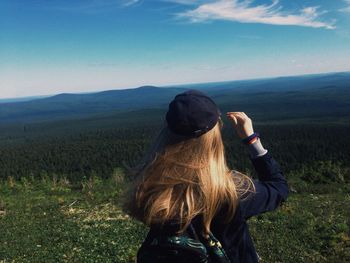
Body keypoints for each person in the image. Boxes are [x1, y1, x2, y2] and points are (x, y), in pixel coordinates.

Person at [123, 89, 289, 262]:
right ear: (213, 136)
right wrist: (252, 140)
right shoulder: (232, 192)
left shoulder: (149, 190)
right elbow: (279, 187)